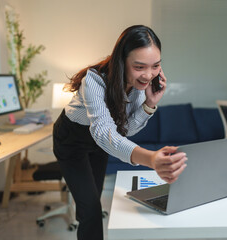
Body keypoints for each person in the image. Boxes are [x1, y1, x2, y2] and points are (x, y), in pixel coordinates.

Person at [53, 25, 188, 240]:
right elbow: (103, 131)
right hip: (71, 140)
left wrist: (149, 104)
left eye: (155, 66)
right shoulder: (94, 80)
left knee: (93, 200)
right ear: (122, 60)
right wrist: (151, 158)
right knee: (91, 211)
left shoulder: (140, 87)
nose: (148, 75)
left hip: (99, 144)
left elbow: (125, 131)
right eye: (139, 66)